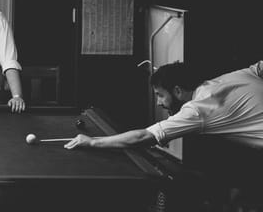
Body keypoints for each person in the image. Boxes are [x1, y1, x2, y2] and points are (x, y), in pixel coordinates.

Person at [65, 60, 263, 150]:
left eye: (160, 95)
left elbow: (144, 136)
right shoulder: (232, 77)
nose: (159, 103)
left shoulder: (197, 109)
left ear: (177, 90)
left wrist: (92, 142)